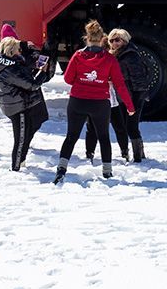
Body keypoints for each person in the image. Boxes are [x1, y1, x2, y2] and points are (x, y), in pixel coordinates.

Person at [54, 20, 135, 183]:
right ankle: (107, 171)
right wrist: (129, 106)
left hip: (77, 101)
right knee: (104, 136)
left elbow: (68, 79)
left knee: (71, 136)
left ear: (87, 37)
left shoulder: (77, 56)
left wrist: (83, 79)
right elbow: (119, 84)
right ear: (102, 39)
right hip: (99, 103)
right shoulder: (110, 59)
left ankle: (61, 170)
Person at [85, 28, 151, 162]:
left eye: (118, 40)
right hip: (121, 97)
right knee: (125, 126)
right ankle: (135, 153)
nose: (114, 43)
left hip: (134, 96)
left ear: (125, 40)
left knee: (131, 127)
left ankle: (139, 156)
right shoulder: (114, 54)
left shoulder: (130, 56)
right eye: (112, 40)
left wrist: (136, 100)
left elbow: (139, 80)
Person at [0, 33, 54, 172]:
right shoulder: (10, 70)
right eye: (17, 49)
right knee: (20, 140)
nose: (20, 51)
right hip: (16, 107)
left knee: (26, 133)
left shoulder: (9, 62)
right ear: (11, 51)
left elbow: (27, 78)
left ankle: (21, 162)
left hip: (18, 103)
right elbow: (31, 85)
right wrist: (43, 73)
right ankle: (15, 169)